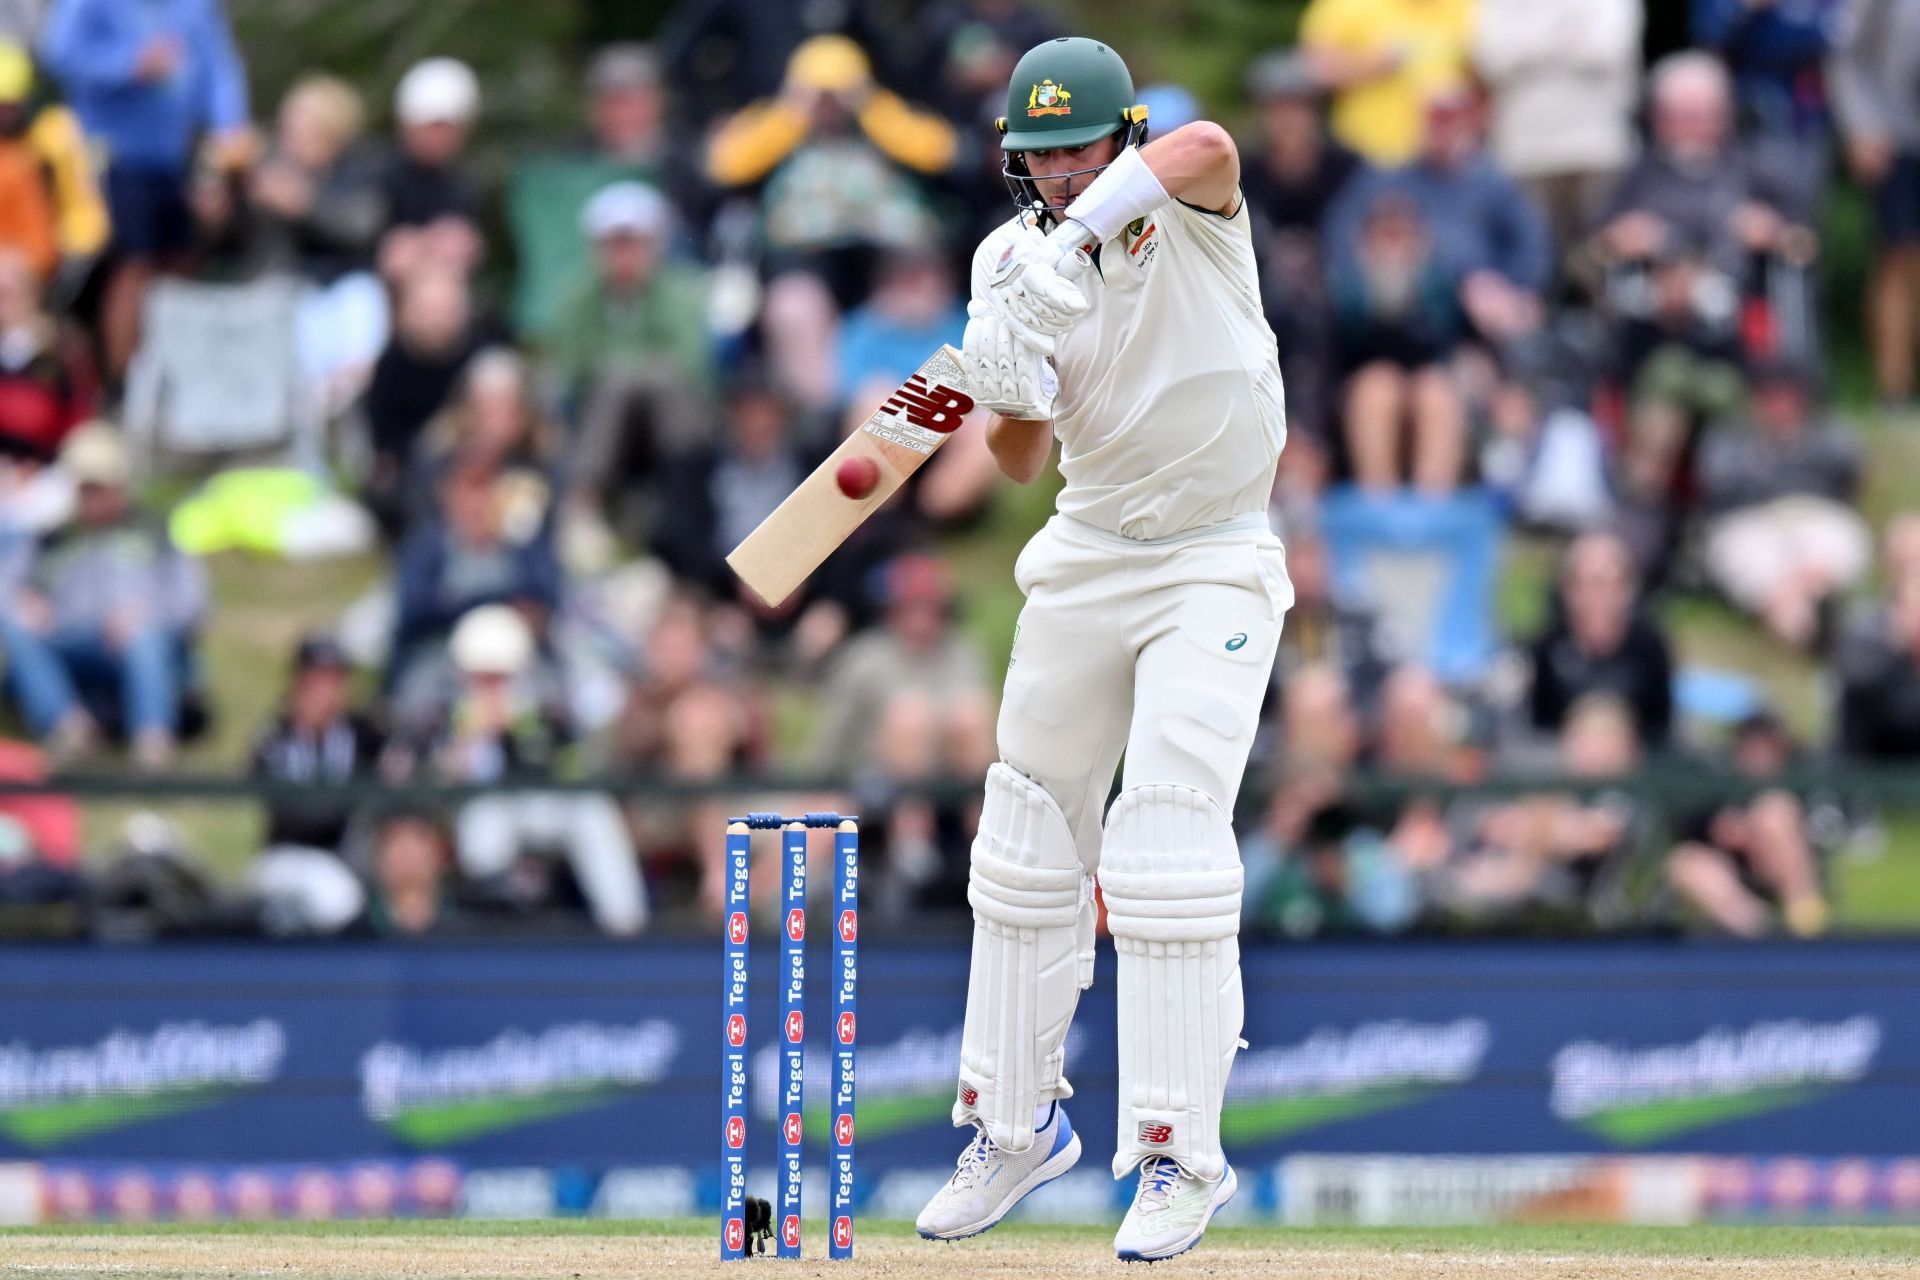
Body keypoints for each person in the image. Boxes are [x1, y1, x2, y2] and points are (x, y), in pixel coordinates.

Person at [913, 37, 1290, 1261]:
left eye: (1081, 150)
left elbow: (1214, 144)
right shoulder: (1002, 261)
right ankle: (1014, 1127)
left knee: (1170, 831)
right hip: (1088, 550)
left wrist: (1075, 244)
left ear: (1118, 136)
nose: (1064, 176)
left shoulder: (1181, 202)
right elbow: (1020, 461)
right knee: (1025, 832)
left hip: (1216, 554)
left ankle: (1180, 1155)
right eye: (1043, 158)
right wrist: (1005, 376)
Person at [37, 0, 252, 381]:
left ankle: (173, 379)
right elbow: (60, 52)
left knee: (179, 261)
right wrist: (127, 64)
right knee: (133, 263)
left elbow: (218, 67)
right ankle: (123, 385)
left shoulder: (195, 6)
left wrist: (229, 126)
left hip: (172, 157)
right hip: (109, 155)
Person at [0, 422, 206, 767]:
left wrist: (147, 614)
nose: (90, 498)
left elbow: (194, 603)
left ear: (120, 487)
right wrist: (26, 605)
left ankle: (152, 745)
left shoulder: (155, 533)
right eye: (84, 488)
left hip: (138, 648)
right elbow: (5, 589)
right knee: (17, 628)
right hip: (70, 644)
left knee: (144, 639)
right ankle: (69, 730)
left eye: (98, 488)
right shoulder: (51, 539)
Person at [547, 180, 712, 529]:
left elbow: (690, 364)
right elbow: (574, 370)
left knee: (642, 383)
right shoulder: (578, 299)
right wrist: (638, 365)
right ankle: (587, 501)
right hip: (604, 415)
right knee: (617, 385)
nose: (624, 256)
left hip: (670, 415)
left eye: (633, 244)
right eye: (615, 245)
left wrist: (621, 366)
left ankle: (592, 498)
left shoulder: (683, 294)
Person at [1697, 357, 1867, 648]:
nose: (1779, 405)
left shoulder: (1828, 435)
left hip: (1814, 516)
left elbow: (1852, 471)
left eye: (1788, 396)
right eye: (1770, 396)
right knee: (1755, 563)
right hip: (1750, 522)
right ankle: (1810, 631)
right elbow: (1717, 485)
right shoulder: (1730, 440)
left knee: (1831, 547)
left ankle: (1807, 623)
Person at [1473, 0, 1642, 259]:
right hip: (1524, 151)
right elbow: (1492, 58)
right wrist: (1562, 36)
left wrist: (1527, 43)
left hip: (1597, 148)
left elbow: (1608, 49)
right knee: (1531, 254)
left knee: (1601, 255)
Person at [247, 633, 381, 936]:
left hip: (352, 855)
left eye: (335, 680)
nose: (327, 692)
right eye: (317, 681)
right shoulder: (275, 738)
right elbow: (288, 816)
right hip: (288, 855)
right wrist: (340, 807)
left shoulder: (364, 733)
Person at [1829, 0, 1920, 407]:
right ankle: (1895, 387)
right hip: (1896, 136)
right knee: (1900, 256)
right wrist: (1860, 126)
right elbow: (1845, 54)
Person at [1668, 709, 1830, 937]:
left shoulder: (1802, 777)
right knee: (1686, 862)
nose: (1758, 754)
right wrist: (1722, 829)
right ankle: (1759, 931)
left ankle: (1805, 919)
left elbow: (1822, 826)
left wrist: (1755, 830)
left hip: (1783, 871)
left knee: (1774, 813)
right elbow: (1691, 826)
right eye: (1751, 745)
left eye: (1766, 746)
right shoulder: (1719, 781)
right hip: (1735, 876)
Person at [1526, 531, 1674, 748]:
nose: (1598, 596)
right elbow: (1534, 729)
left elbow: (1660, 731)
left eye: (1609, 583)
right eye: (1588, 584)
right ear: (1569, 589)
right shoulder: (1546, 650)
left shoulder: (1649, 648)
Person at [1298, 0, 1478, 166]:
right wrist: (1372, 65)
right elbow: (1313, 68)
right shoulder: (1349, 5)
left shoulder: (1465, 7)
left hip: (1444, 163)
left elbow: (1483, 77)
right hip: (1366, 158)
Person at [0, 38, 106, 294]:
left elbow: (84, 215)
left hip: (38, 268)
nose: (6, 115)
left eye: (11, 106)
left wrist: (70, 255)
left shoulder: (53, 138)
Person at [376, 57, 483, 286]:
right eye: (431, 127)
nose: (437, 137)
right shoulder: (379, 173)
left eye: (446, 128)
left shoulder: (463, 184)